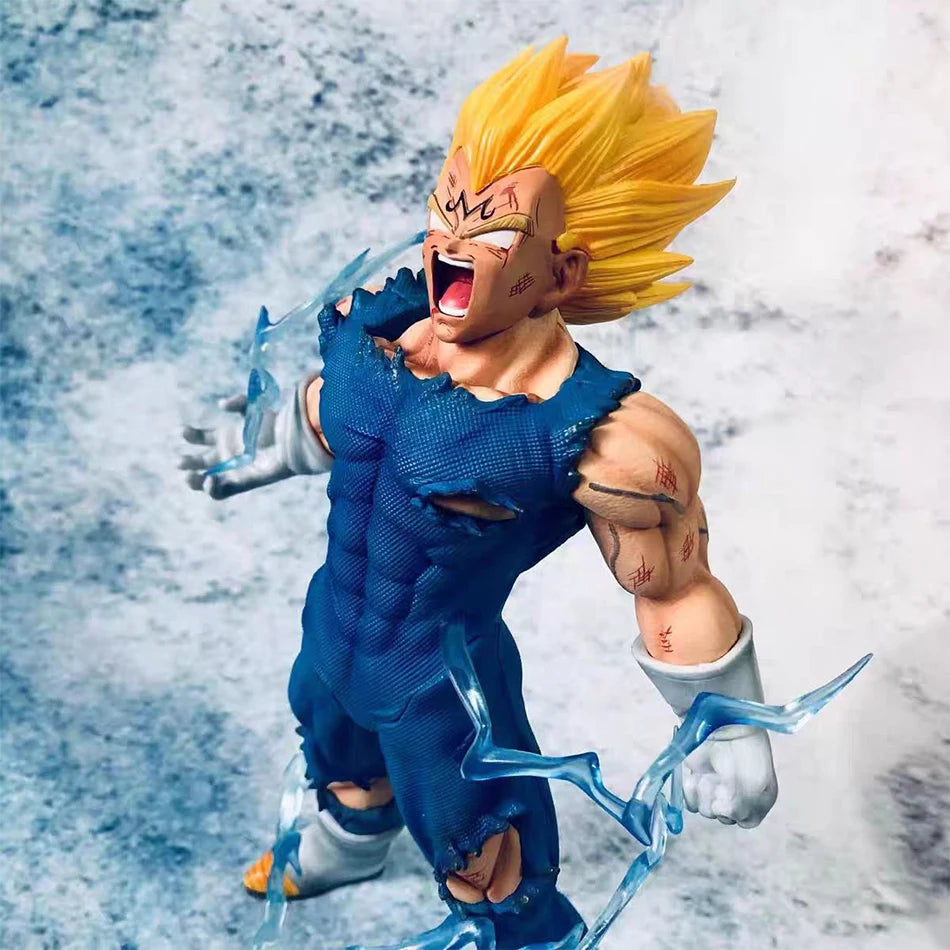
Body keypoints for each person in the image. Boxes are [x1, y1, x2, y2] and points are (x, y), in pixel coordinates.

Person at [181, 38, 778, 948]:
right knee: (339, 759)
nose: (451, 243)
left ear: (563, 273)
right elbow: (340, 412)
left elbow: (673, 587)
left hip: (441, 680)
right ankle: (349, 844)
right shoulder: (391, 333)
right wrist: (273, 440)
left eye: (492, 231)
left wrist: (727, 725)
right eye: (446, 210)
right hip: (334, 628)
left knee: (486, 858)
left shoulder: (599, 437)